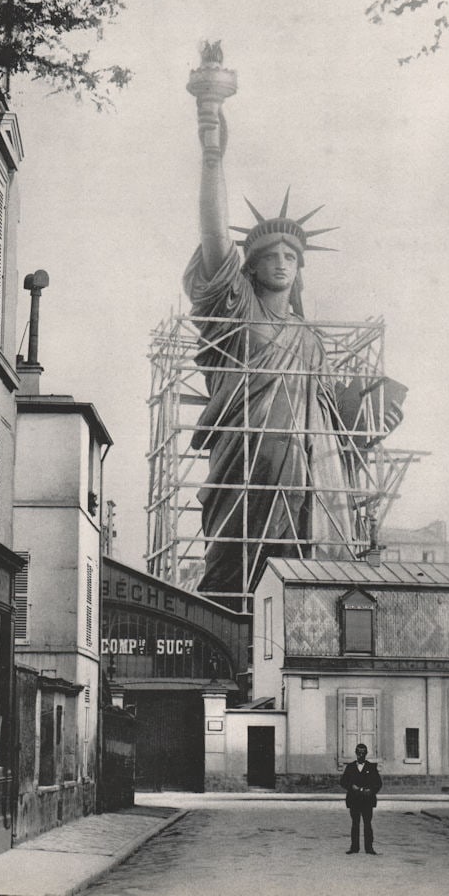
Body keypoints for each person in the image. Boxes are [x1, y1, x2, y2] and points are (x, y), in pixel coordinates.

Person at [183, 55, 406, 606]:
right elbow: (214, 237)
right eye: (269, 255)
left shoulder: (309, 338)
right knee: (234, 571)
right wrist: (212, 152)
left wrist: (371, 415)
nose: (281, 263)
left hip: (308, 471)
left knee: (305, 580)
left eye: (290, 256)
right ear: (250, 266)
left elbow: (332, 419)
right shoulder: (238, 311)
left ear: (299, 268)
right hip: (249, 459)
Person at [339, 742, 382, 854]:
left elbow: (378, 783)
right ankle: (354, 848)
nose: (361, 755)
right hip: (354, 800)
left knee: (367, 824)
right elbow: (343, 782)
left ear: (366, 754)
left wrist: (371, 790)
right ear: (356, 753)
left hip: (367, 800)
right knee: (355, 824)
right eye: (359, 753)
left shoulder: (371, 767)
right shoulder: (350, 767)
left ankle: (369, 848)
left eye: (363, 753)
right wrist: (351, 786)